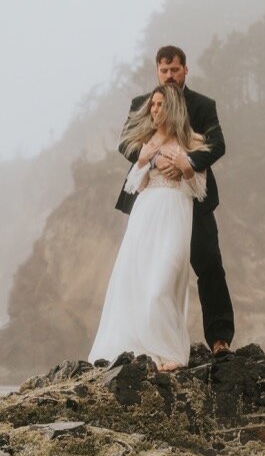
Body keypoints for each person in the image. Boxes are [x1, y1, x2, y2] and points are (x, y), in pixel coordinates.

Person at [114, 46, 234, 354]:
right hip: (152, 199)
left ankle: (220, 338)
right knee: (145, 269)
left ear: (185, 70)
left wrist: (185, 162)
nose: (169, 76)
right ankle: (142, 339)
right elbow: (126, 143)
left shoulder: (202, 105)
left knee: (209, 263)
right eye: (164, 71)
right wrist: (154, 162)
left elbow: (217, 145)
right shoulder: (142, 104)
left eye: (175, 70)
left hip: (193, 199)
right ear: (157, 71)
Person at [88, 83, 210, 370]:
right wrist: (146, 160)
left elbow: (200, 189)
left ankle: (171, 352)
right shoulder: (147, 142)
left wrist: (185, 166)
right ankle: (144, 349)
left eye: (160, 105)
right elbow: (135, 184)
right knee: (138, 281)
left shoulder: (192, 141)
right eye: (152, 105)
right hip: (145, 214)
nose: (155, 110)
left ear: (174, 108)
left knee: (162, 282)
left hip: (176, 213)